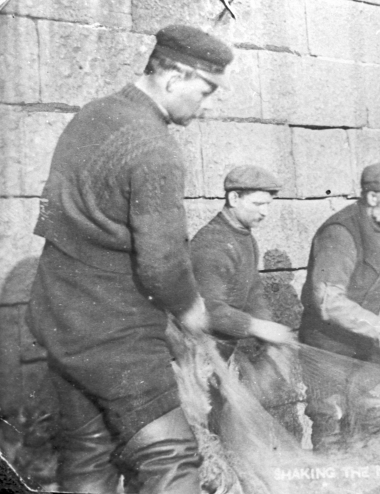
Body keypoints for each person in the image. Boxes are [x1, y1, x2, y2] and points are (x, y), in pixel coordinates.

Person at [26, 25, 233, 493]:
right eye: (208, 90)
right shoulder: (155, 148)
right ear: (176, 76)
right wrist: (190, 309)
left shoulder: (92, 116)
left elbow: (52, 214)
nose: (209, 104)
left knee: (87, 455)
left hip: (58, 319)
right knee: (171, 457)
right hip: (116, 333)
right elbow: (161, 265)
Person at [298, 161, 380, 449]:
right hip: (325, 344)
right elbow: (328, 300)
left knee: (375, 412)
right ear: (373, 197)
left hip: (363, 342)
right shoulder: (340, 233)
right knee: (331, 419)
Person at [190, 165, 295, 359]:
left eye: (268, 205)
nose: (265, 212)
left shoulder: (245, 238)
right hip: (197, 350)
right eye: (257, 204)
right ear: (234, 199)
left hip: (223, 347)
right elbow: (208, 308)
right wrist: (258, 327)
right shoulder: (213, 245)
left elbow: (253, 292)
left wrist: (267, 328)